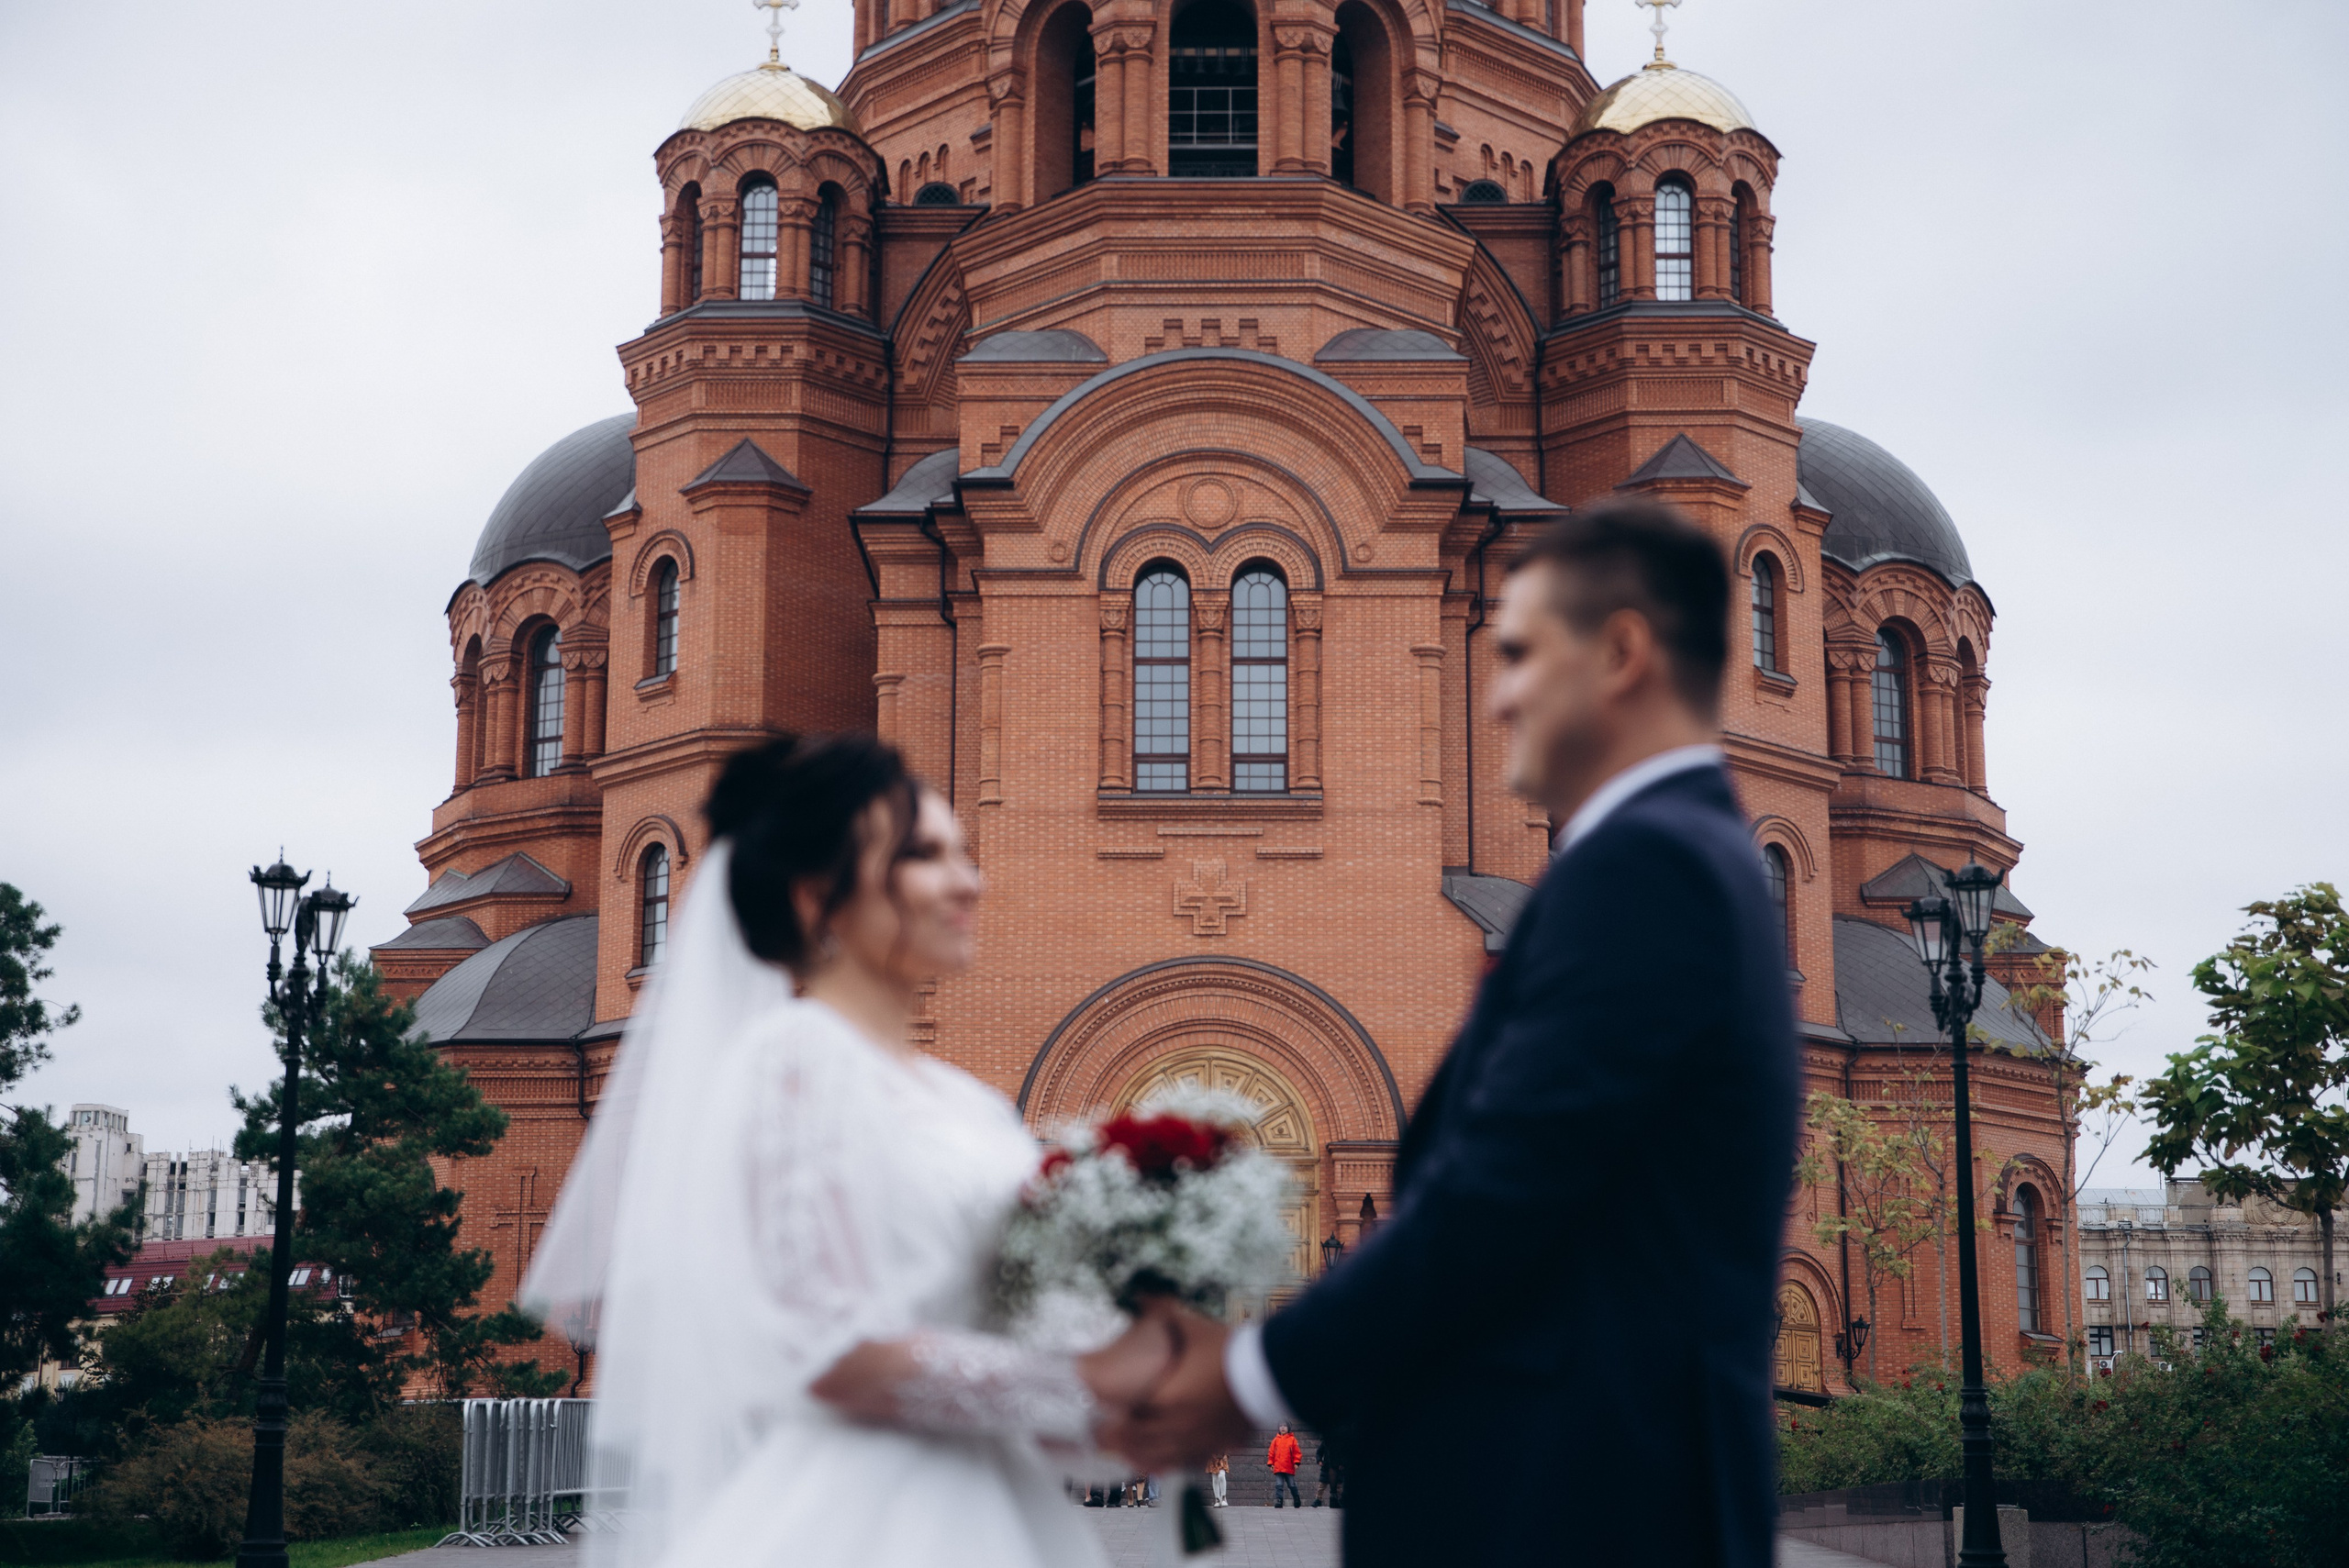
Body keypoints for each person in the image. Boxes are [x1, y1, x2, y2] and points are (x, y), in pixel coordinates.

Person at [1102, 502, 1801, 1567]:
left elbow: (1508, 1181)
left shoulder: (1648, 866)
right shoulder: (1680, 855)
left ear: (1621, 652)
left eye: (1519, 654)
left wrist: (1248, 1374)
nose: (1498, 692)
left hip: (1581, 1506)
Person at [520, 734, 1173, 1568]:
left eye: (962, 852)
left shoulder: (966, 1100)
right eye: (925, 855)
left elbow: (1002, 1317)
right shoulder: (793, 1064)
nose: (967, 880)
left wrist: (1132, 1386)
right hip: (861, 1519)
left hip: (998, 1508)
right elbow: (833, 1350)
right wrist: (1092, 1383)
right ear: (816, 895)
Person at [1267, 1425, 1304, 1509]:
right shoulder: (1275, 1440)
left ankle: (1296, 1498)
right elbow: (1271, 1453)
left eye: (1285, 1426)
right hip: (1278, 1467)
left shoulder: (1292, 1439)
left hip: (1288, 1466)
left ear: (1288, 1428)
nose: (1283, 1428)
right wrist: (1271, 1463)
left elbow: (1297, 1452)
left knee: (1291, 1484)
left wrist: (1296, 1462)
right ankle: (1279, 1500)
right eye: (1281, 1426)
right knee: (1279, 1485)